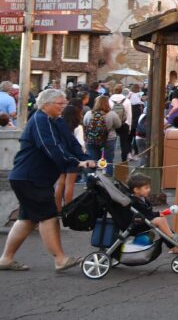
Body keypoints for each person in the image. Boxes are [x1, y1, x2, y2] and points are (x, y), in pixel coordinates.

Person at [0, 89, 96, 272]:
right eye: (59, 104)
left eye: (64, 103)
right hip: (30, 177)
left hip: (34, 178)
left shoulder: (56, 120)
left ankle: (6, 259)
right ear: (46, 105)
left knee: (27, 220)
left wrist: (86, 158)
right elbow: (50, 147)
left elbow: (70, 142)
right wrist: (76, 162)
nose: (63, 106)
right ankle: (60, 259)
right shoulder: (39, 120)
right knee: (48, 217)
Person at [126, 174, 178, 253]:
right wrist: (157, 214)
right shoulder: (134, 201)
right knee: (160, 220)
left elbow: (148, 213)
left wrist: (159, 213)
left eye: (149, 187)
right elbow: (144, 215)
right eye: (146, 188)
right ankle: (172, 238)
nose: (149, 190)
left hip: (142, 221)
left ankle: (172, 243)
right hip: (137, 224)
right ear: (136, 190)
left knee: (162, 221)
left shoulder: (142, 198)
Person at [53, 104, 87, 211]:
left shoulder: (58, 125)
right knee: (70, 184)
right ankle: (68, 208)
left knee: (60, 183)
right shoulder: (77, 127)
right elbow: (80, 143)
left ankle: (57, 208)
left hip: (61, 155)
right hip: (73, 157)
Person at [83, 95, 120, 176]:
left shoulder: (89, 113)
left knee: (93, 159)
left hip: (92, 139)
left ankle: (92, 178)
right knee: (108, 159)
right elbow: (118, 125)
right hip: (109, 139)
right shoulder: (112, 114)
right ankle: (108, 178)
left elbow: (85, 124)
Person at [109, 84, 133, 162]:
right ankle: (123, 161)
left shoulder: (109, 100)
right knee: (124, 143)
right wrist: (129, 126)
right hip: (124, 123)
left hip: (112, 123)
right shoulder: (127, 101)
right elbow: (129, 115)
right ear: (122, 91)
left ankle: (110, 162)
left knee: (111, 143)